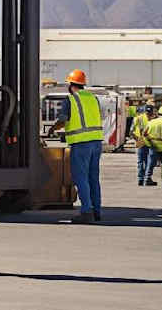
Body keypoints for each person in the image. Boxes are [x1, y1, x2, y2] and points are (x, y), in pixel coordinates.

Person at [48, 69, 103, 224]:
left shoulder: (71, 100)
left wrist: (52, 129)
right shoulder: (93, 98)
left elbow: (63, 120)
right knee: (93, 178)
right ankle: (96, 211)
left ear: (71, 85)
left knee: (81, 178)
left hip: (81, 144)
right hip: (96, 143)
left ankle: (86, 211)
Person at [132, 104, 157, 186]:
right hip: (148, 141)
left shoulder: (138, 118)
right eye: (148, 113)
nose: (148, 115)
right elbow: (131, 132)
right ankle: (144, 178)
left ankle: (142, 178)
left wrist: (138, 139)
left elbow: (131, 131)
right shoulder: (154, 119)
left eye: (149, 113)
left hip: (144, 141)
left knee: (143, 161)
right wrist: (138, 139)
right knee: (149, 161)